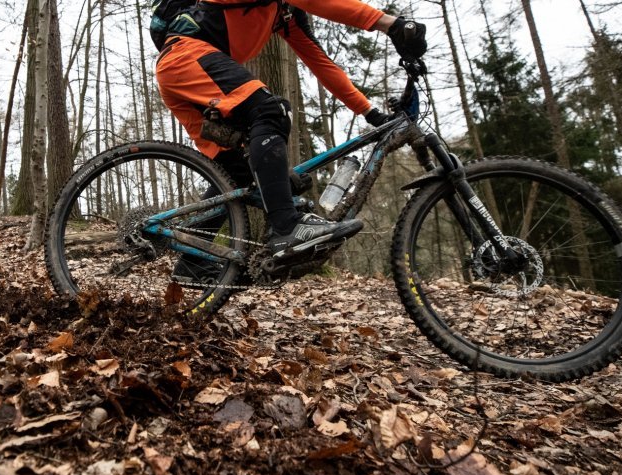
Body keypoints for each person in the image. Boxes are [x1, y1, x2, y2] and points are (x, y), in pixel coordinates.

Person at [155, 0, 427, 281]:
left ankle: (191, 262)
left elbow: (321, 64)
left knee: (235, 173)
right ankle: (286, 228)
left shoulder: (285, 15)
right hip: (187, 57)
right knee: (272, 111)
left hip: (187, 71)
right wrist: (389, 24)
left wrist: (371, 113)